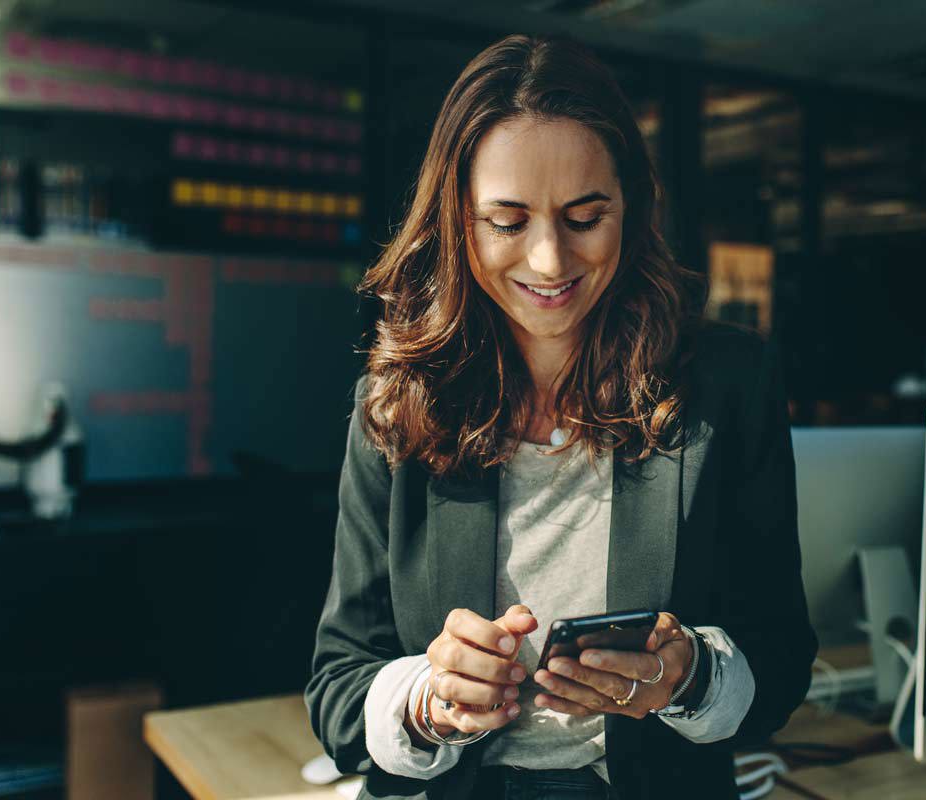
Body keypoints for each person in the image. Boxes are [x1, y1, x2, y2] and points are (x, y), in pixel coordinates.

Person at [305, 33, 817, 800]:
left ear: (631, 209)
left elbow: (778, 665)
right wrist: (429, 702)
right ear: (458, 221)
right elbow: (338, 691)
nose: (549, 261)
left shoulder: (727, 384)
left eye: (585, 217)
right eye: (508, 222)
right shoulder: (395, 400)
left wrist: (690, 676)